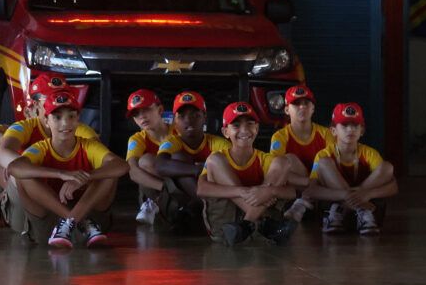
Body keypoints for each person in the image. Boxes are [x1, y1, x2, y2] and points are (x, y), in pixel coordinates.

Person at [6, 88, 129, 248]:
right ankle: (74, 219)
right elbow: (15, 167)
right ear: (46, 120)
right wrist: (62, 174)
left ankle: (74, 218)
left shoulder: (88, 146)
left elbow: (122, 165)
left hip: (92, 223)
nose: (65, 123)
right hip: (51, 226)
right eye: (57, 117)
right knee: (24, 176)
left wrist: (84, 177)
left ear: (78, 119)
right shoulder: (41, 148)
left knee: (109, 172)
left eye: (71, 117)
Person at [0, 74, 100, 234]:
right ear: (36, 105)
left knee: (102, 173)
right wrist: (55, 173)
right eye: (50, 97)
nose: (57, 100)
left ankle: (74, 219)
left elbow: (102, 159)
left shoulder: (78, 128)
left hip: (67, 195)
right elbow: (3, 151)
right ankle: (77, 221)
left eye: (63, 96)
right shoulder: (25, 127)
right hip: (33, 202)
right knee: (23, 173)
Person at [195, 102, 305, 245]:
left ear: (257, 128)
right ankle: (256, 221)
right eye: (236, 126)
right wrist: (242, 192)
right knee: (214, 160)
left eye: (250, 124)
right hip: (226, 229)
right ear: (225, 132)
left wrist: (270, 190)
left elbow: (295, 192)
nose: (244, 130)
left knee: (282, 162)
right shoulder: (219, 158)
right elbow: (201, 189)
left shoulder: (265, 159)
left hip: (258, 236)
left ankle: (246, 224)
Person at [304, 102, 397, 235]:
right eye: (345, 125)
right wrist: (347, 195)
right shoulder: (324, 154)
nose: (350, 130)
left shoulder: (370, 154)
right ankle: (355, 209)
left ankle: (351, 210)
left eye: (355, 125)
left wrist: (367, 194)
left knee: (387, 167)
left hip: (360, 213)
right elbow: (310, 190)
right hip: (341, 211)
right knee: (324, 163)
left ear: (362, 131)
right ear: (333, 131)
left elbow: (393, 186)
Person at [152, 91, 230, 231]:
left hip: (213, 194)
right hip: (188, 199)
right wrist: (198, 169)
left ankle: (199, 207)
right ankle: (201, 204)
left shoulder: (217, 142)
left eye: (195, 115)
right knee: (178, 157)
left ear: (204, 118)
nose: (188, 120)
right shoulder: (172, 141)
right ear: (175, 121)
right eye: (182, 117)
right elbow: (160, 166)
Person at [268, 84, 333, 222]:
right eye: (296, 103)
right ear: (286, 109)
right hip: (299, 189)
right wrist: (309, 183)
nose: (302, 107)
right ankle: (305, 201)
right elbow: (276, 171)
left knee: (326, 162)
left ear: (313, 108)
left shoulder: (326, 134)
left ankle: (306, 204)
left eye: (306, 103)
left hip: (324, 185)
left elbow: (334, 168)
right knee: (287, 160)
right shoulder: (280, 136)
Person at [124, 89, 176, 226]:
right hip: (156, 192)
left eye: (146, 109)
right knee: (145, 161)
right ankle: (157, 206)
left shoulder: (178, 132)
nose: (142, 117)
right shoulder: (137, 139)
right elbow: (132, 172)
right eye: (136, 114)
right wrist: (167, 189)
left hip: (183, 186)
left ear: (159, 110)